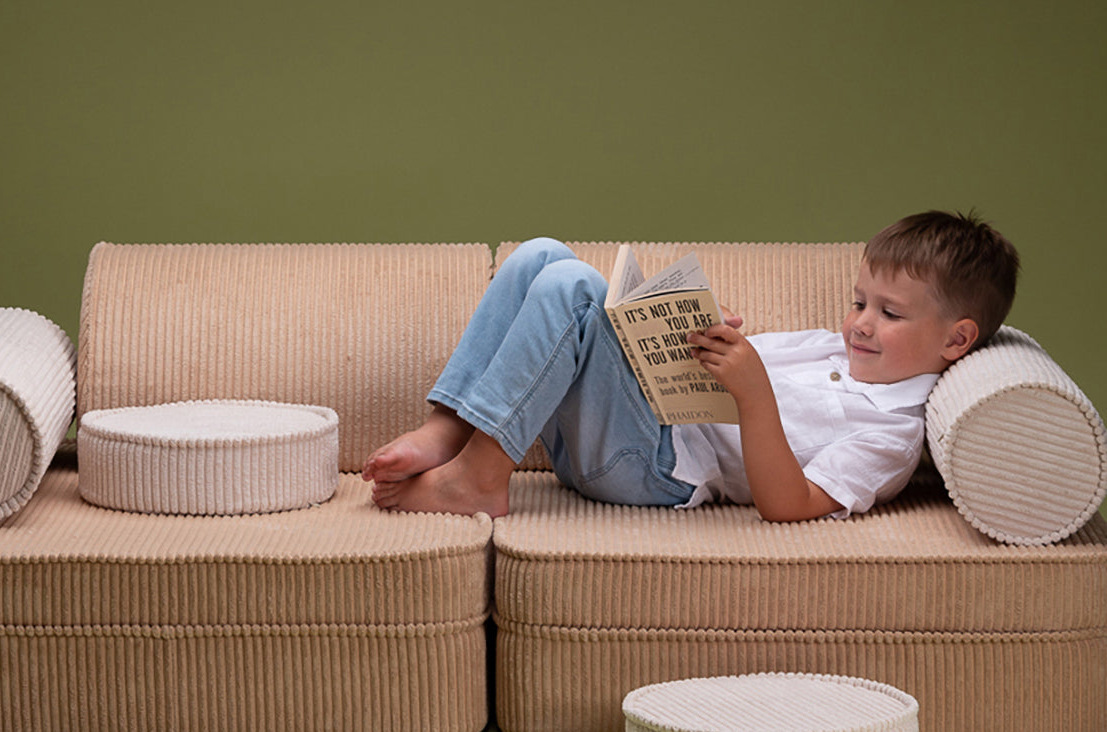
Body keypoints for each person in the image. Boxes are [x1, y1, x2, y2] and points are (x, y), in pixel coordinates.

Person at [363, 211, 1019, 522]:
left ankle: (477, 480)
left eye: (890, 314)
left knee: (572, 290)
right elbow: (748, 357)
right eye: (859, 303)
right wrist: (713, 333)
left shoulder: (894, 433)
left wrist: (754, 397)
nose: (860, 323)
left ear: (956, 341)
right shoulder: (832, 348)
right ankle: (451, 429)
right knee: (540, 254)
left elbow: (793, 507)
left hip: (658, 471)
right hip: (640, 425)